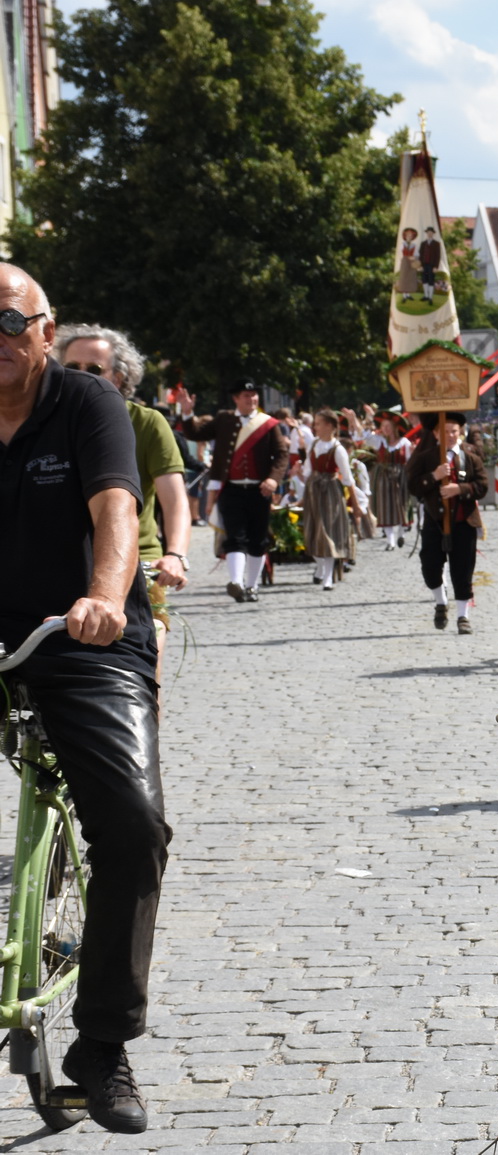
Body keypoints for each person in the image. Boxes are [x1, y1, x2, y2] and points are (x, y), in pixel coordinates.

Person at [0, 264, 171, 1133]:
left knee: (133, 826)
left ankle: (101, 1044)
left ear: (43, 326)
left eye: (7, 321)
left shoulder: (88, 404)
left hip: (79, 636)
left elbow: (116, 509)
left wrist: (107, 596)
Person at [55, 324, 189, 674]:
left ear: (120, 376)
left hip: (140, 566)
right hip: (64, 565)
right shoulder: (47, 424)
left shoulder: (147, 423)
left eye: (95, 370)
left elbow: (174, 500)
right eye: (72, 368)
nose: (81, 376)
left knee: (144, 671)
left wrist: (174, 554)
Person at [176, 380, 289, 603]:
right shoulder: (224, 419)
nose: (252, 399)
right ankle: (236, 582)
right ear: (236, 399)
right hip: (231, 489)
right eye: (247, 396)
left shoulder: (268, 423)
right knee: (234, 537)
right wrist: (187, 413)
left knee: (258, 539)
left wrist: (273, 479)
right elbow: (195, 433)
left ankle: (252, 586)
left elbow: (282, 454)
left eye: (254, 395)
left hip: (260, 490)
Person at [407, 412, 486, 634]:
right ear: (435, 433)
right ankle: (441, 602)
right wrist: (434, 476)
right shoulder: (425, 456)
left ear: (460, 432)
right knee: (430, 566)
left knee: (463, 570)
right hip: (435, 520)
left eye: (454, 431)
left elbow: (482, 485)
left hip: (463, 520)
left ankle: (463, 616)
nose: (450, 435)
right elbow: (412, 485)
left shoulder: (470, 456)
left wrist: (459, 489)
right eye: (445, 431)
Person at [300, 410, 363, 590]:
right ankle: (320, 566)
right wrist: (302, 494)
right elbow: (307, 470)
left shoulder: (338, 449)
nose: (315, 427)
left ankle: (328, 577)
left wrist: (356, 504)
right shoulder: (313, 444)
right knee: (313, 531)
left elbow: (347, 478)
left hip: (330, 492)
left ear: (329, 426)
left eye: (319, 424)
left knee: (327, 532)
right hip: (314, 490)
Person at [370, 411, 413, 550]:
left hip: (400, 476)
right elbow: (364, 437)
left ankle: (401, 533)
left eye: (388, 426)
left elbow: (409, 460)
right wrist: (355, 421)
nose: (385, 429)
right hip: (383, 477)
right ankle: (390, 541)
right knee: (385, 507)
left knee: (401, 505)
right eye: (383, 426)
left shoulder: (404, 442)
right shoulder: (380, 441)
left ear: (395, 427)